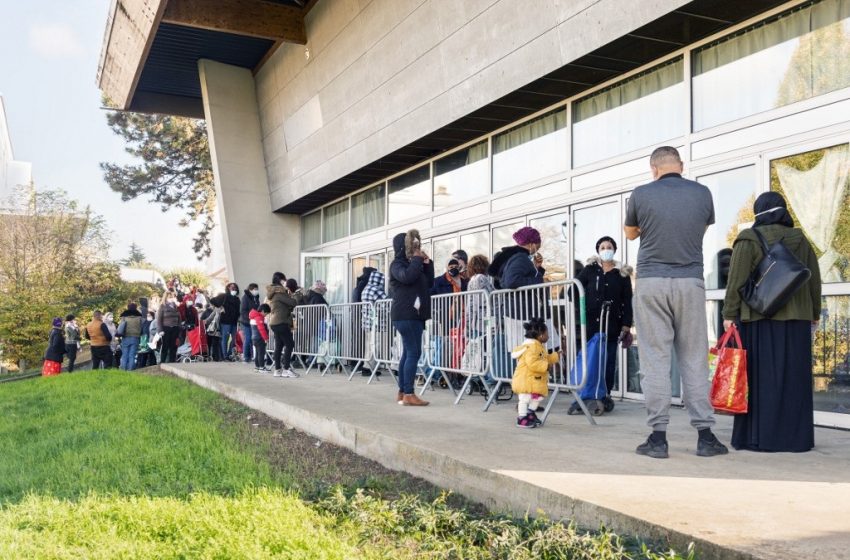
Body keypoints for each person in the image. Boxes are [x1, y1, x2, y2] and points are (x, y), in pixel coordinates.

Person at [624, 146, 727, 459]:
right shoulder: (702, 193)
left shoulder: (640, 194)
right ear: (680, 165)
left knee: (655, 360)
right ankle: (706, 436)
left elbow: (630, 235)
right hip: (690, 281)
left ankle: (658, 438)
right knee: (694, 358)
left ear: (653, 168)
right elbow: (701, 229)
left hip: (652, 281)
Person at [722, 192, 821, 453]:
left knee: (759, 380)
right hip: (797, 320)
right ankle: (796, 440)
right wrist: (814, 312)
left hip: (759, 319)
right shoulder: (801, 239)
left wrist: (729, 314)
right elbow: (814, 279)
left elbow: (736, 281)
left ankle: (759, 438)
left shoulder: (748, 240)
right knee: (794, 380)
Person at [572, 236, 634, 412]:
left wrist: (626, 324)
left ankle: (604, 394)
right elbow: (573, 291)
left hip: (612, 324)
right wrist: (583, 311)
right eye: (602, 247)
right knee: (590, 360)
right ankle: (586, 393)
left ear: (614, 250)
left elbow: (628, 300)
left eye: (609, 247)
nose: (606, 249)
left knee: (608, 362)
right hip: (591, 325)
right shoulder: (590, 270)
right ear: (598, 250)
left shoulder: (621, 274)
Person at [390, 229, 434, 406]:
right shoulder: (397, 264)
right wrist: (416, 260)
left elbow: (429, 282)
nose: (415, 247)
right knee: (414, 352)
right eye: (412, 244)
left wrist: (426, 262)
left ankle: (403, 392)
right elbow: (407, 277)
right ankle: (408, 393)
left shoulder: (412, 264)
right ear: (404, 246)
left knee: (409, 352)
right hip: (406, 314)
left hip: (414, 315)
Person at [511, 318, 560, 428]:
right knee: (524, 399)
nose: (548, 336)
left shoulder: (538, 346)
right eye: (547, 334)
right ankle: (522, 418)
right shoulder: (532, 347)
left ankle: (529, 413)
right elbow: (532, 363)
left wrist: (556, 356)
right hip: (525, 379)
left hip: (532, 379)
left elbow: (545, 358)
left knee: (538, 397)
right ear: (540, 335)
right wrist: (546, 366)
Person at [266, 273, 301, 378]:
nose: (285, 282)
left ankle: (277, 370)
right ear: (280, 280)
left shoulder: (274, 293)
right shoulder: (279, 293)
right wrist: (298, 293)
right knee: (290, 344)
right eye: (284, 280)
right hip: (281, 322)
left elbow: (286, 306)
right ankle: (286, 369)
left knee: (279, 346)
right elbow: (293, 302)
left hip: (275, 322)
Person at [117, 302, 144, 371]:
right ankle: (130, 369)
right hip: (135, 338)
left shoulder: (124, 317)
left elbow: (121, 328)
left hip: (125, 337)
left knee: (124, 354)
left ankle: (123, 369)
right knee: (132, 355)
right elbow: (142, 327)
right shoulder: (139, 318)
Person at [157, 291, 181, 363]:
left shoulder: (175, 306)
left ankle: (172, 362)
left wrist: (179, 327)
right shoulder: (162, 306)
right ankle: (163, 362)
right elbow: (159, 319)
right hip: (166, 328)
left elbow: (179, 318)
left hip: (175, 328)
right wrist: (160, 330)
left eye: (172, 297)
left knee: (173, 346)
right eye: (170, 297)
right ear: (166, 298)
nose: (171, 298)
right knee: (165, 346)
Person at [240, 283, 260, 365]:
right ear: (250, 290)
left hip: (254, 321)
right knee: (247, 339)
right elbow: (243, 310)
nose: (256, 291)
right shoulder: (245, 298)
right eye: (255, 289)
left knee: (253, 339)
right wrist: (250, 318)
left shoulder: (256, 298)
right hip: (246, 322)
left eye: (257, 289)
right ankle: (245, 357)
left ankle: (252, 356)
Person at [221, 282, 241, 360]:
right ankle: (225, 355)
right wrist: (221, 309)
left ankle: (229, 354)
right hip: (226, 321)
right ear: (228, 288)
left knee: (233, 339)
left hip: (234, 321)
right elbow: (215, 302)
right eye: (232, 288)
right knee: (225, 339)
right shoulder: (224, 297)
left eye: (235, 288)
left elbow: (238, 310)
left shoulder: (237, 299)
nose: (234, 289)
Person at [250, 303, 272, 372]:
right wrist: (266, 338)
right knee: (261, 353)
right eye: (266, 313)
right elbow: (261, 329)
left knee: (257, 353)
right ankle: (261, 367)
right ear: (262, 311)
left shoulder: (254, 317)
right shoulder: (259, 318)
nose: (266, 315)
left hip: (255, 338)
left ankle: (257, 367)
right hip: (260, 338)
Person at [203, 295, 224, 362]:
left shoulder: (222, 308)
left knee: (219, 343)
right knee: (215, 343)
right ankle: (216, 357)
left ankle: (220, 357)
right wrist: (204, 321)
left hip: (221, 327)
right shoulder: (217, 309)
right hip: (216, 329)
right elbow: (211, 317)